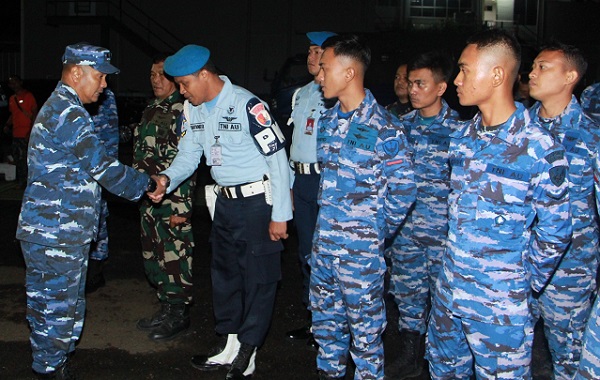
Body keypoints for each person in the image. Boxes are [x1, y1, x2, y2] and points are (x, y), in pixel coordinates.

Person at [426, 29, 572, 379]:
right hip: (448, 297)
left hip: (499, 308)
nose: (456, 79)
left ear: (496, 75)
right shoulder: (462, 138)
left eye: (464, 70)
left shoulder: (538, 147)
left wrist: (516, 284)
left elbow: (556, 233)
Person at [148, 44, 292, 380]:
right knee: (224, 275)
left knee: (259, 278)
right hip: (224, 203)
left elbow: (277, 157)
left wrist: (281, 213)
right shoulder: (193, 109)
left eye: (184, 83)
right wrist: (166, 179)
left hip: (260, 202)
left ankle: (248, 349)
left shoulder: (247, 104)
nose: (181, 91)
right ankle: (229, 343)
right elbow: (188, 155)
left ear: (205, 74)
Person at [16, 42, 156, 379]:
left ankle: (50, 363)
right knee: (58, 311)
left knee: (53, 308)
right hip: (57, 233)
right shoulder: (68, 112)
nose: (105, 85)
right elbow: (104, 168)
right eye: (100, 76)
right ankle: (50, 369)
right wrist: (148, 185)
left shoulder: (62, 107)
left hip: (54, 231)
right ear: (77, 73)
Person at [311, 34, 416, 380]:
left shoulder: (385, 127)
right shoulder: (327, 123)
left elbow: (403, 190)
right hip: (324, 248)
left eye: (325, 68)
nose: (320, 75)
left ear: (350, 72)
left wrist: (373, 233)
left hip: (361, 256)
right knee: (325, 329)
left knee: (366, 337)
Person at [384, 50, 461, 380]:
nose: (412, 89)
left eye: (420, 83)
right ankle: (411, 356)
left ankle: (441, 363)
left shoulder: (460, 131)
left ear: (441, 88)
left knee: (444, 304)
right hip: (406, 236)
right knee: (408, 298)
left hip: (443, 237)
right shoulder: (400, 128)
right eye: (411, 82)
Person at [527, 41, 600, 380]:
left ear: (571, 76)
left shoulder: (591, 137)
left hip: (570, 271)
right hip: (517, 265)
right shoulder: (516, 131)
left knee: (568, 359)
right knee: (504, 355)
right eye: (533, 65)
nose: (532, 72)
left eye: (543, 66)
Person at [133, 53, 197, 341]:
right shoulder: (151, 108)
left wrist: (184, 206)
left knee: (174, 255)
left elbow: (189, 160)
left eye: (161, 74)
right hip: (149, 197)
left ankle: (178, 313)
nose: (155, 79)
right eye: (151, 74)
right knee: (154, 255)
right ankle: (166, 305)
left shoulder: (184, 110)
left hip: (173, 198)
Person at [285, 30, 336, 351]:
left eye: (318, 51)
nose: (311, 57)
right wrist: (290, 185)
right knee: (306, 253)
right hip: (301, 181)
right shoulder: (301, 94)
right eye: (309, 51)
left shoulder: (336, 96)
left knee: (326, 256)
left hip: (326, 181)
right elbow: (295, 144)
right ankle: (314, 318)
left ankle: (330, 324)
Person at [85, 87, 119, 293]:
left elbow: (110, 136)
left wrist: (109, 173)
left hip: (99, 166)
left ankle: (95, 272)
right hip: (83, 168)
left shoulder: (104, 96)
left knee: (98, 217)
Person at [3, 74, 38, 188]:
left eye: (15, 82)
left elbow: (34, 114)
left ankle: (28, 181)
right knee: (17, 158)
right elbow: (13, 114)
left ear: (20, 82)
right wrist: (7, 125)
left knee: (26, 158)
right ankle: (21, 180)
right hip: (16, 133)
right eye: (11, 83)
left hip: (26, 133)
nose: (13, 85)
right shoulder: (12, 99)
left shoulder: (28, 96)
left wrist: (30, 131)